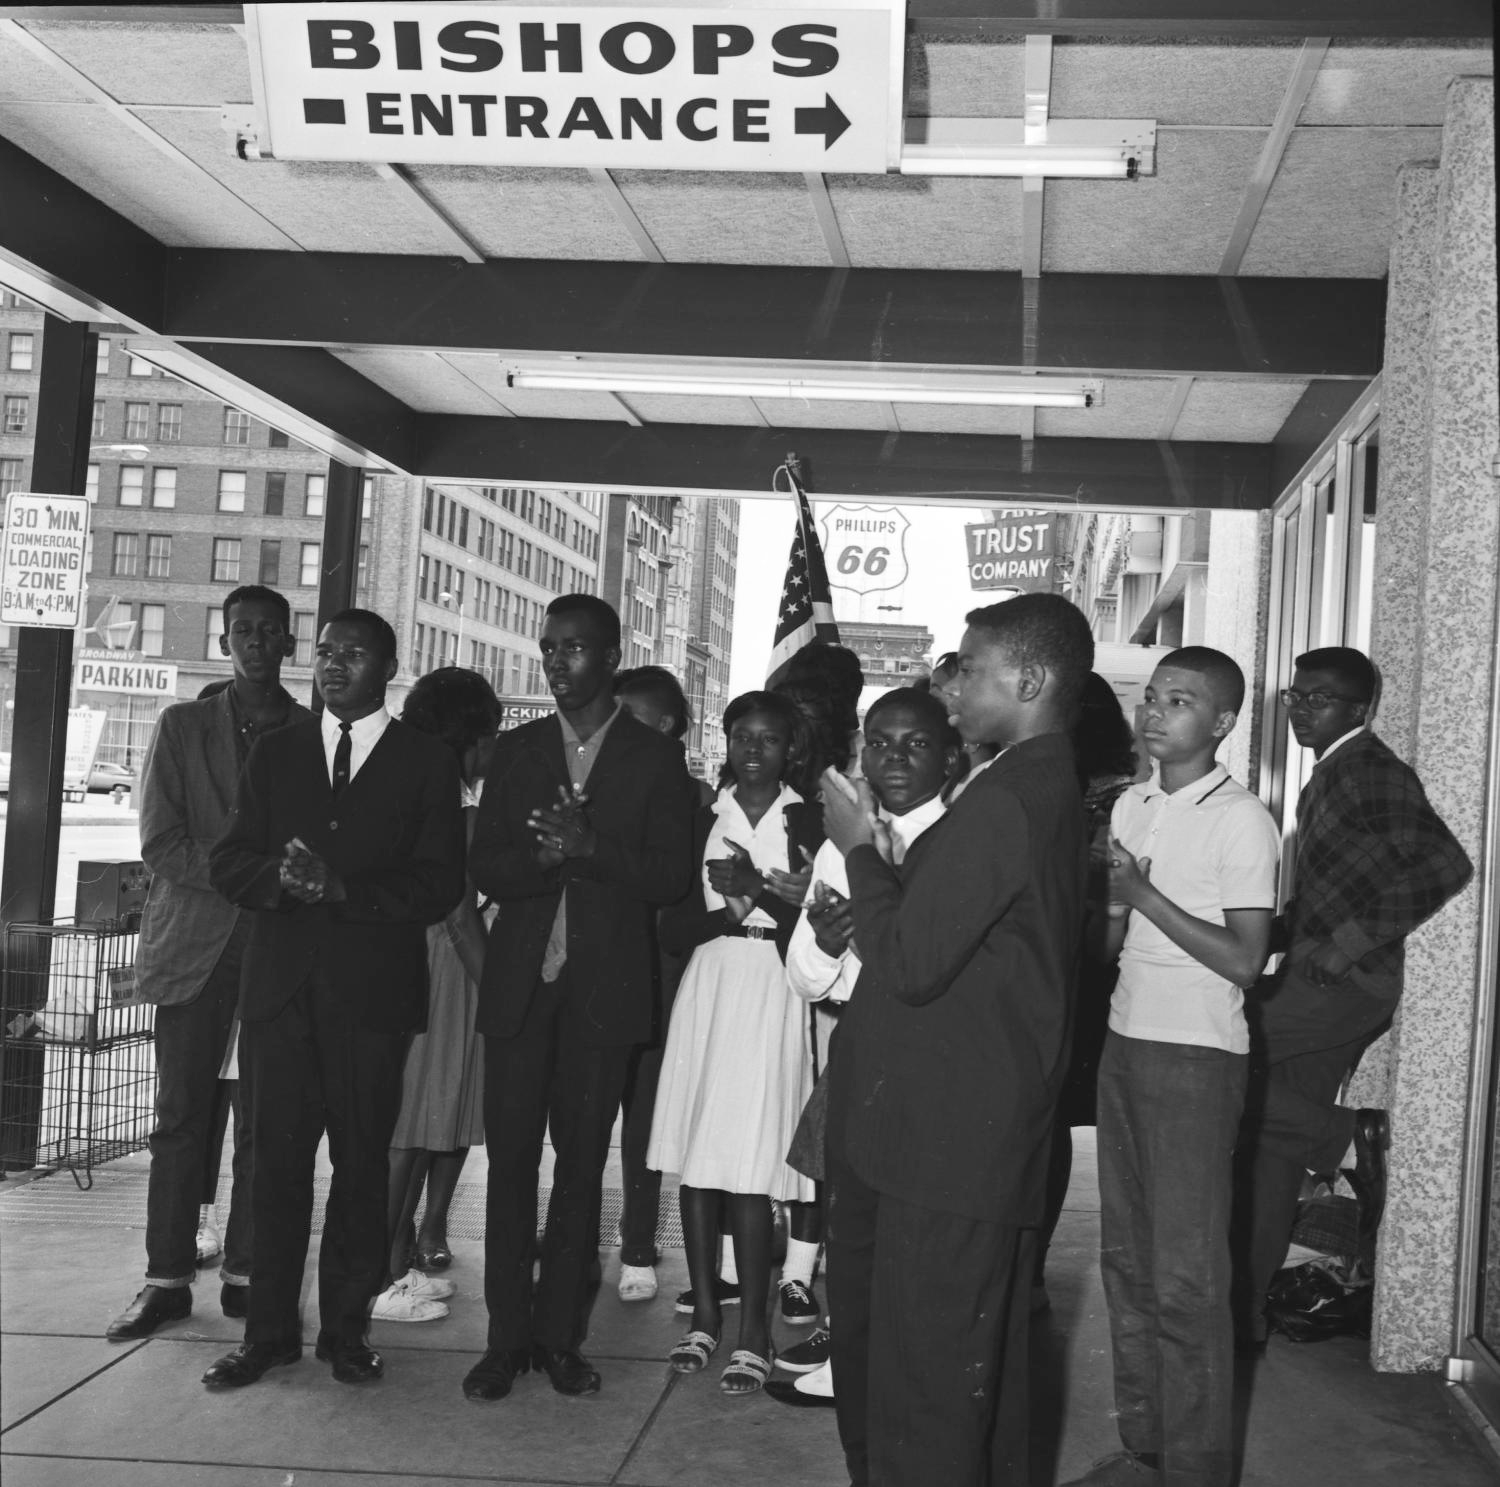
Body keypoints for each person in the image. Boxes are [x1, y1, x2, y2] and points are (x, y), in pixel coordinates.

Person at [821, 593, 1094, 1486]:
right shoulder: (1029, 780)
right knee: (961, 1384)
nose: (955, 681)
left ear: (1030, 678)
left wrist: (859, 848)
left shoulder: (1013, 792)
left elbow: (910, 959)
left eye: (971, 667)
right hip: (942, 1132)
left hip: (946, 1145)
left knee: (926, 1389)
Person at [201, 608, 466, 1390]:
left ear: (389, 664)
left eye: (352, 653)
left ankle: (346, 1334)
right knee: (273, 1172)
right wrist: (278, 882)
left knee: (359, 1171)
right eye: (324, 653)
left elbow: (439, 882)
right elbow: (229, 860)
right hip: (280, 999)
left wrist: (341, 886)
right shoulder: (278, 753)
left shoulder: (425, 761)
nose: (333, 665)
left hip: (371, 1004)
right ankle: (268, 1335)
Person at [462, 595, 695, 1403]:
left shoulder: (655, 758)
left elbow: (669, 876)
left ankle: (561, 1339)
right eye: (549, 648)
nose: (558, 662)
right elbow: (488, 867)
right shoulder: (518, 750)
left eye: (576, 648)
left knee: (581, 1171)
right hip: (522, 992)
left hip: (605, 995)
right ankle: (503, 1341)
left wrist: (592, 850)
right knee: (510, 1169)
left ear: (611, 655)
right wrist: (552, 857)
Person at [1067, 646, 1280, 1487]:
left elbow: (1245, 961)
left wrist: (1147, 896)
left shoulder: (1242, 819)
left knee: (1188, 1276)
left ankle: (1195, 1470)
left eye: (1180, 700)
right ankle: (1145, 1445)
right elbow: (1115, 944)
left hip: (1197, 1058)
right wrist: (1114, 907)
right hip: (1126, 1042)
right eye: (1151, 697)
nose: (1156, 713)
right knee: (1127, 1260)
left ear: (1221, 721)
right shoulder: (1130, 804)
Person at [1232, 646, 1472, 1351]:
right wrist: (1263, 930)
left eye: (1321, 698)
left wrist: (1351, 940)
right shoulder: (1331, 772)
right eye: (1296, 696)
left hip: (1344, 979)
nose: (1302, 708)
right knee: (1270, 1139)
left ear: (1359, 709)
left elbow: (1445, 862)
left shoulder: (1370, 770)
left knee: (1224, 1062)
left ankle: (1350, 1136)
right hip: (1319, 967)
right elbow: (1330, 887)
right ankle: (1242, 1317)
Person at [105, 586, 309, 1343]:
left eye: (269, 632)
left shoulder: (310, 733)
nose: (256, 642)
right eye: (242, 631)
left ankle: (249, 1275)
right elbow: (161, 843)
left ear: (290, 642)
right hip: (196, 949)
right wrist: (252, 878)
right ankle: (164, 1279)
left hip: (278, 952)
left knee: (265, 1118)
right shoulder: (182, 725)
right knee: (181, 1118)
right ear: (227, 640)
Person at [766, 685, 961, 1409]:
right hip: (854, 1038)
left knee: (911, 1220)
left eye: (916, 743)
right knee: (852, 1212)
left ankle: (890, 1361)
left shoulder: (959, 839)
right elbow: (804, 977)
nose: (895, 758)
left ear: (951, 753)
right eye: (879, 743)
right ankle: (852, 1353)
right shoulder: (837, 846)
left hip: (925, 1050)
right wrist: (821, 944)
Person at [648, 689, 824, 1395]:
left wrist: (764, 896)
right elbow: (669, 929)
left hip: (774, 986)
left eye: (770, 739)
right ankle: (703, 1317)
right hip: (712, 983)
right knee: (699, 1161)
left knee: (752, 1164)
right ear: (726, 741)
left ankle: (755, 1327)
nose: (754, 749)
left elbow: (821, 926)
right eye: (742, 736)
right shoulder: (701, 820)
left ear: (791, 751)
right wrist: (731, 911)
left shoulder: (807, 820)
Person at [370, 667, 504, 1323]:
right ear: (471, 740)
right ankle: (378, 1276)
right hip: (441, 970)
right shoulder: (460, 810)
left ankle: (392, 1264)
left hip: (403, 961)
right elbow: (459, 915)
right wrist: (500, 993)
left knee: (412, 1127)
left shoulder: (402, 786)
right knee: (409, 1130)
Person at [1036, 673, 1140, 1309]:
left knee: (1045, 1124)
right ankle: (1030, 1269)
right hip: (1076, 971)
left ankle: (1030, 1268)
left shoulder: (1106, 804)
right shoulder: (1094, 795)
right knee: (1048, 1126)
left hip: (1079, 971)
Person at [611, 666, 715, 1304]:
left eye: (630, 719)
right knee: (588, 1116)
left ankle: (638, 1244)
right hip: (604, 972)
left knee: (647, 1121)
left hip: (670, 978)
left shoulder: (704, 804)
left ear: (668, 726)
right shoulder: (605, 793)